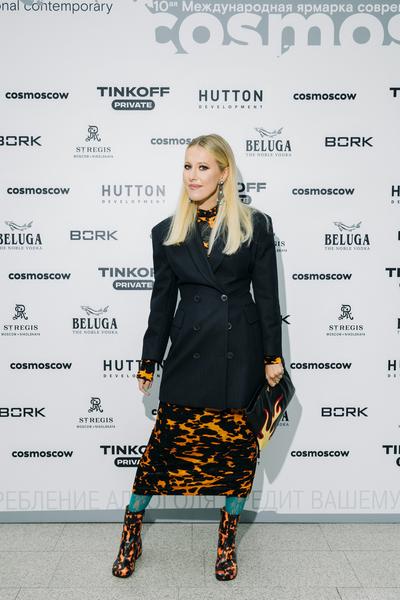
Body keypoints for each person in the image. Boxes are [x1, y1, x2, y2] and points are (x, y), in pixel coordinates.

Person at [112, 133, 284, 581]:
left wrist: (272, 356)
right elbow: (161, 302)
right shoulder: (167, 232)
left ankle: (226, 541)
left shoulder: (255, 226)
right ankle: (131, 532)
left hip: (239, 355)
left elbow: (267, 298)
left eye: (203, 167)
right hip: (189, 353)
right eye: (188, 166)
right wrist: (149, 358)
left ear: (224, 174)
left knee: (237, 455)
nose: (193, 175)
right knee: (161, 454)